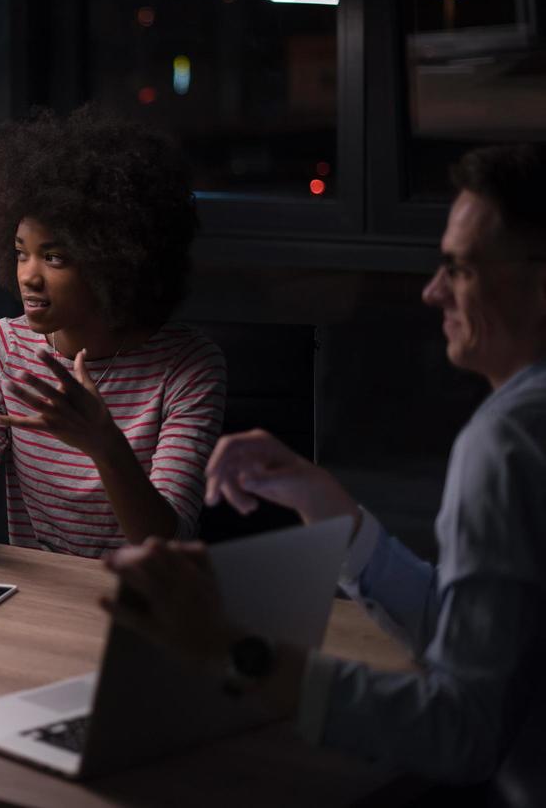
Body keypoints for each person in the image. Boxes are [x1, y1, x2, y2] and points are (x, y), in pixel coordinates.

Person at [105, 143, 546, 805]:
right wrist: (339, 521)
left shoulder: (507, 440)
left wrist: (233, 650)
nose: (430, 292)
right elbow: (487, 640)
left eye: (458, 269)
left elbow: (460, 731)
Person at [0, 107, 225, 556]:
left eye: (55, 257)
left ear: (113, 262)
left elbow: (164, 543)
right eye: (21, 253)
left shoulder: (187, 367)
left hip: (150, 604)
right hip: (44, 605)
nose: (29, 276)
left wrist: (104, 443)